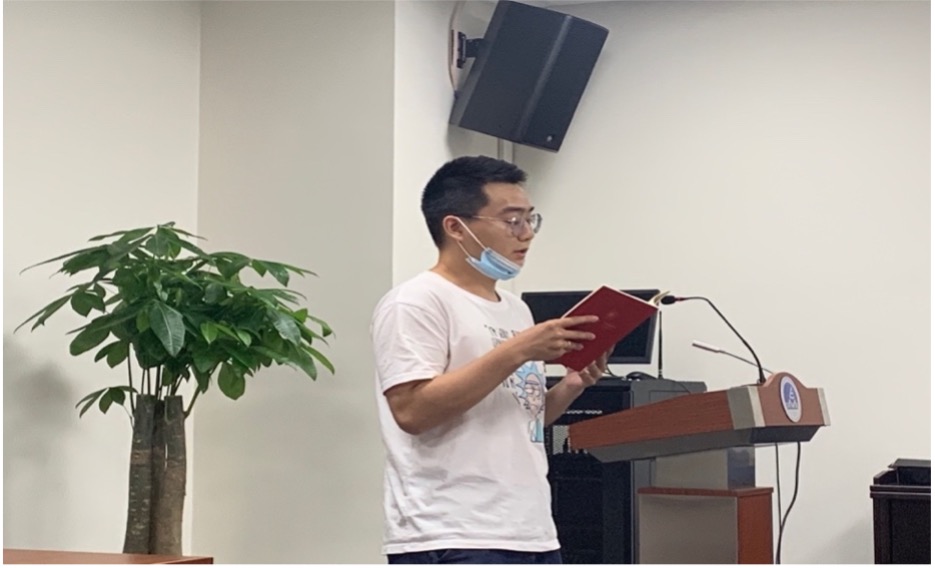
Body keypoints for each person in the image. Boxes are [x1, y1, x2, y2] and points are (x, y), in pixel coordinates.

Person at [370, 156, 610, 564]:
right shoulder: (415, 301)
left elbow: (522, 420)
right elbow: (411, 411)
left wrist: (572, 385)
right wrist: (518, 350)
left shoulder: (516, 310)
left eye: (531, 219)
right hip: (451, 531)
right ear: (455, 227)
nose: (526, 234)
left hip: (531, 530)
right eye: (512, 221)